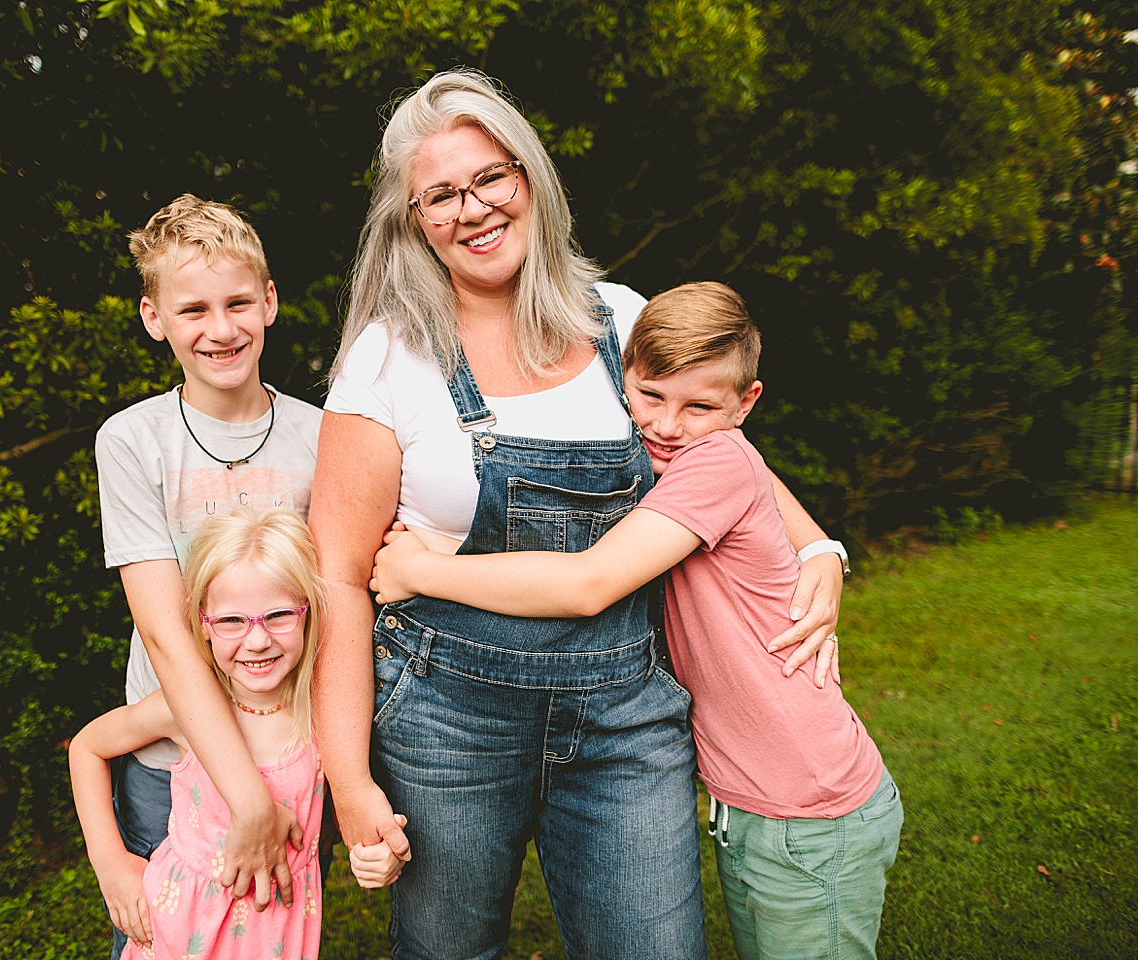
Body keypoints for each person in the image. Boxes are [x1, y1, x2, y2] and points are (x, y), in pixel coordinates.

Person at [307, 67, 848, 960]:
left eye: (491, 177)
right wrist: (350, 775)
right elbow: (337, 577)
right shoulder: (388, 356)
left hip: (627, 714)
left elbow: (718, 460)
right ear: (414, 221)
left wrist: (818, 545)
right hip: (450, 719)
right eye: (441, 194)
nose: (472, 207)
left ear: (529, 179)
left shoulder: (623, 322)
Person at [371, 282, 903, 960]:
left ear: (747, 404)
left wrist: (422, 572)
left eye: (699, 406)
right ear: (622, 375)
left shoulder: (713, 462)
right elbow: (554, 548)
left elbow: (590, 582)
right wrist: (822, 545)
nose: (666, 425)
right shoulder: (677, 463)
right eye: (651, 396)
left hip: (808, 803)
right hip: (760, 801)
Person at [93, 195, 325, 959]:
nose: (220, 330)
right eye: (192, 309)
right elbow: (164, 629)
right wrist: (240, 795)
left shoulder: (324, 436)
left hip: (289, 757)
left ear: (270, 301)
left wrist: (275, 788)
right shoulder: (133, 440)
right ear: (153, 316)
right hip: (171, 766)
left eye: (237, 303)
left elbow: (334, 606)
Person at [71, 507, 399, 960]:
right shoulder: (188, 711)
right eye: (231, 621)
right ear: (200, 623)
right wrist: (110, 862)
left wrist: (380, 858)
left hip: (279, 932)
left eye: (279, 614)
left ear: (309, 611)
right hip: (182, 931)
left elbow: (362, 822)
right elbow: (87, 747)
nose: (257, 640)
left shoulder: (325, 714)